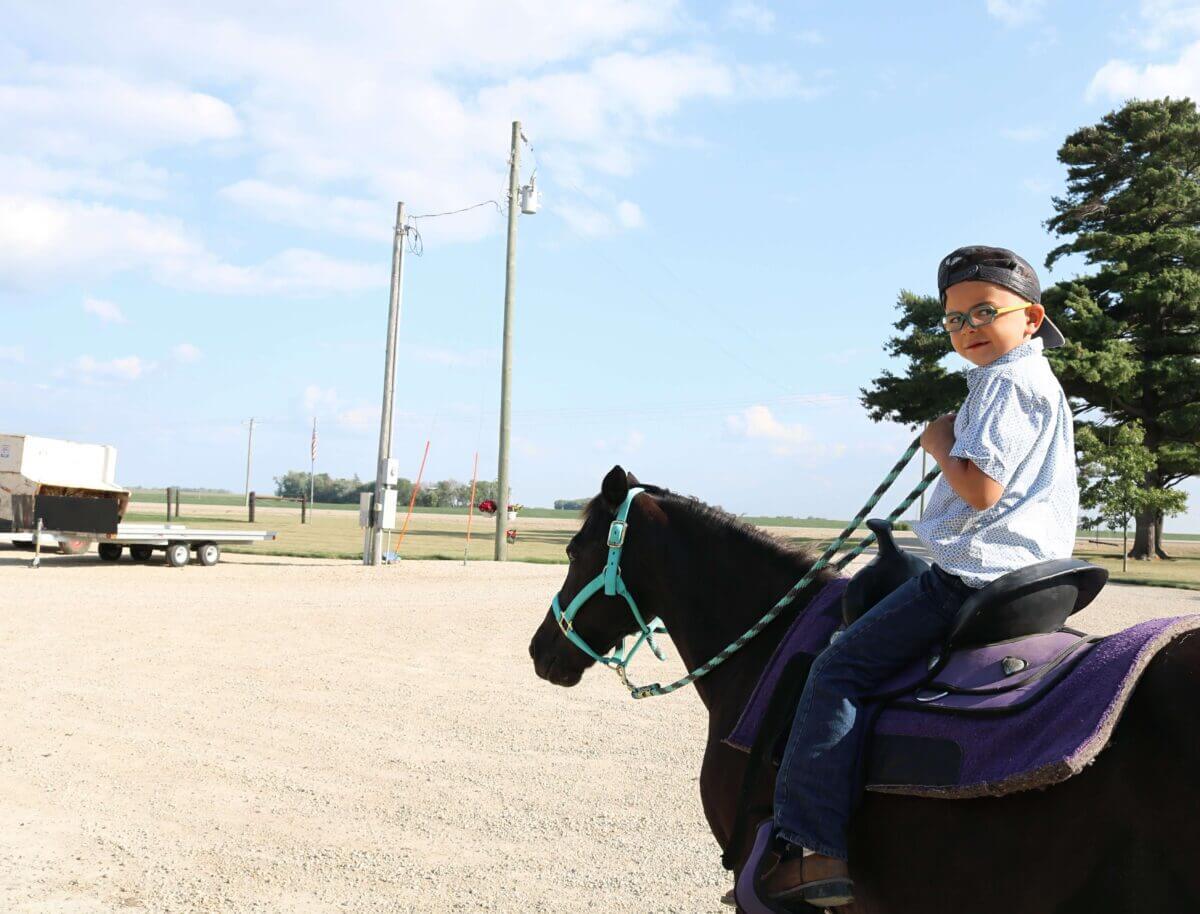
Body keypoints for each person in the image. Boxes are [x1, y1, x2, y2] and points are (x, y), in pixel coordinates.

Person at [764, 245, 1080, 909]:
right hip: (1041, 566)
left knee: (837, 670)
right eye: (954, 321)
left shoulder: (1003, 383)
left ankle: (811, 848)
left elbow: (983, 491)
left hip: (977, 571)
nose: (967, 329)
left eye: (984, 313)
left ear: (1031, 318)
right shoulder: (1040, 383)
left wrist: (939, 445)